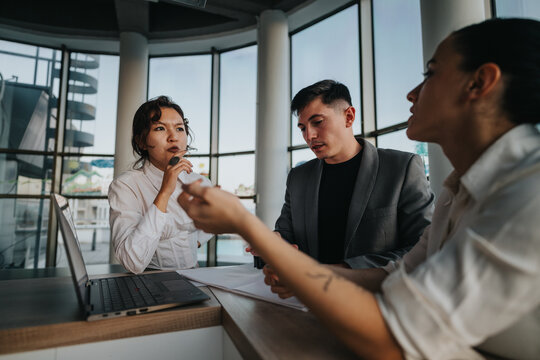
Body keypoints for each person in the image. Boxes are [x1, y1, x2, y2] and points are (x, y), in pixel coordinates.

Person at [178, 18, 540, 359]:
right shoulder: (457, 189)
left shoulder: (529, 193)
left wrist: (244, 221)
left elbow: (394, 339)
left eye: (430, 74)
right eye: (302, 128)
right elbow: (395, 276)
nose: (412, 93)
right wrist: (293, 271)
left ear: (479, 83)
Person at [270, 80, 433, 268]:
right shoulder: (298, 177)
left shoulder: (402, 168)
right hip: (304, 295)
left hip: (372, 294)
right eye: (302, 128)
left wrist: (346, 271)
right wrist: (273, 241)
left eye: (317, 122)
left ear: (349, 117)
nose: (309, 136)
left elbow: (424, 247)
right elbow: (285, 232)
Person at [109, 96, 212, 274]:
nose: (173, 137)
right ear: (141, 141)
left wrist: (192, 242)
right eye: (160, 128)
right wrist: (165, 192)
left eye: (180, 128)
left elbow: (211, 224)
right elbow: (131, 262)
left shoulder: (201, 181)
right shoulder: (125, 185)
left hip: (196, 275)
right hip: (148, 279)